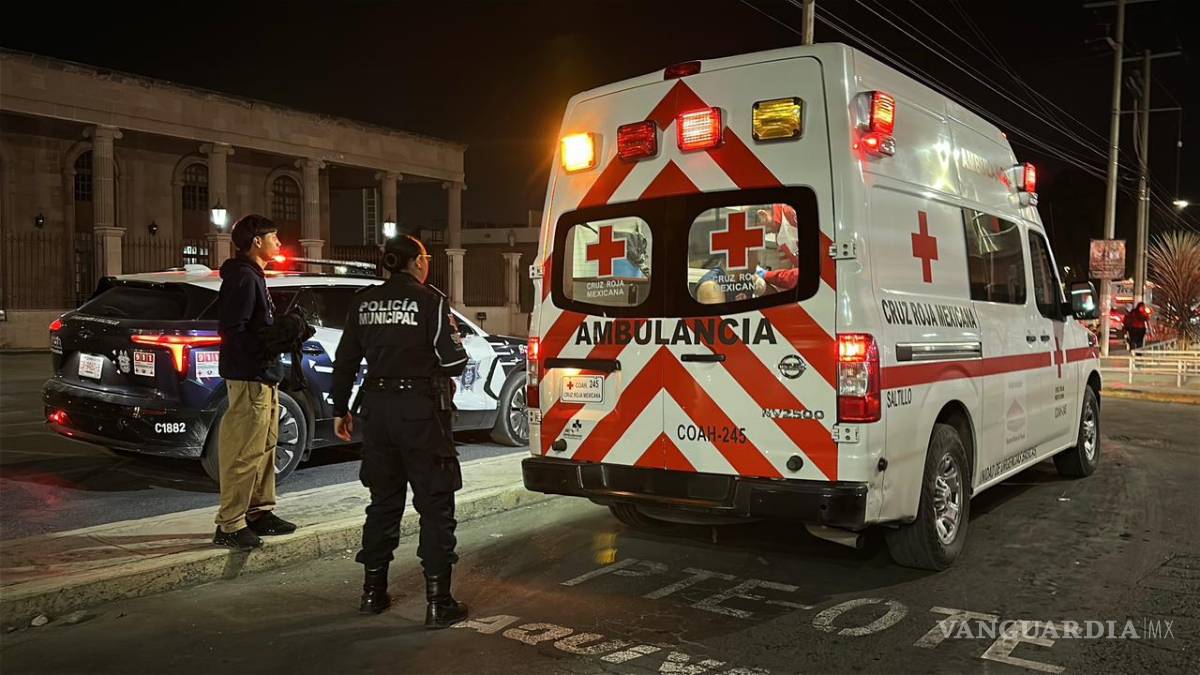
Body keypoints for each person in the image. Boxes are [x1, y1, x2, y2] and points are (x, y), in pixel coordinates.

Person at [330, 234, 470, 627]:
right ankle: (438, 602)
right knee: (435, 504)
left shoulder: (363, 302)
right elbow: (454, 361)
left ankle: (372, 593)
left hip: (377, 414)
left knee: (383, 503)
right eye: (426, 258)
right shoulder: (430, 301)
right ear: (417, 262)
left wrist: (340, 409)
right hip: (422, 415)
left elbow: (345, 360)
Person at [213, 215, 300, 550]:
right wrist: (271, 339)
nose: (279, 243)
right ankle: (230, 524)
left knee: (265, 448)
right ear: (257, 241)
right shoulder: (242, 278)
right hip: (249, 377)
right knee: (245, 452)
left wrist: (280, 332)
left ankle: (259, 512)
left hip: (263, 375)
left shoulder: (253, 276)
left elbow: (255, 327)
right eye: (274, 237)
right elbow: (233, 331)